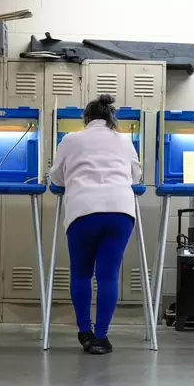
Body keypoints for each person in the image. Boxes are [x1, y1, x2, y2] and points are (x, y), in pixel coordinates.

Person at [49, 94, 141, 355]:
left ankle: (84, 332)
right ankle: (101, 337)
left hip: (83, 211)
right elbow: (136, 175)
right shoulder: (124, 140)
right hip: (119, 212)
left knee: (81, 273)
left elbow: (57, 176)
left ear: (86, 118)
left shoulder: (71, 139)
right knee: (107, 275)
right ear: (111, 118)